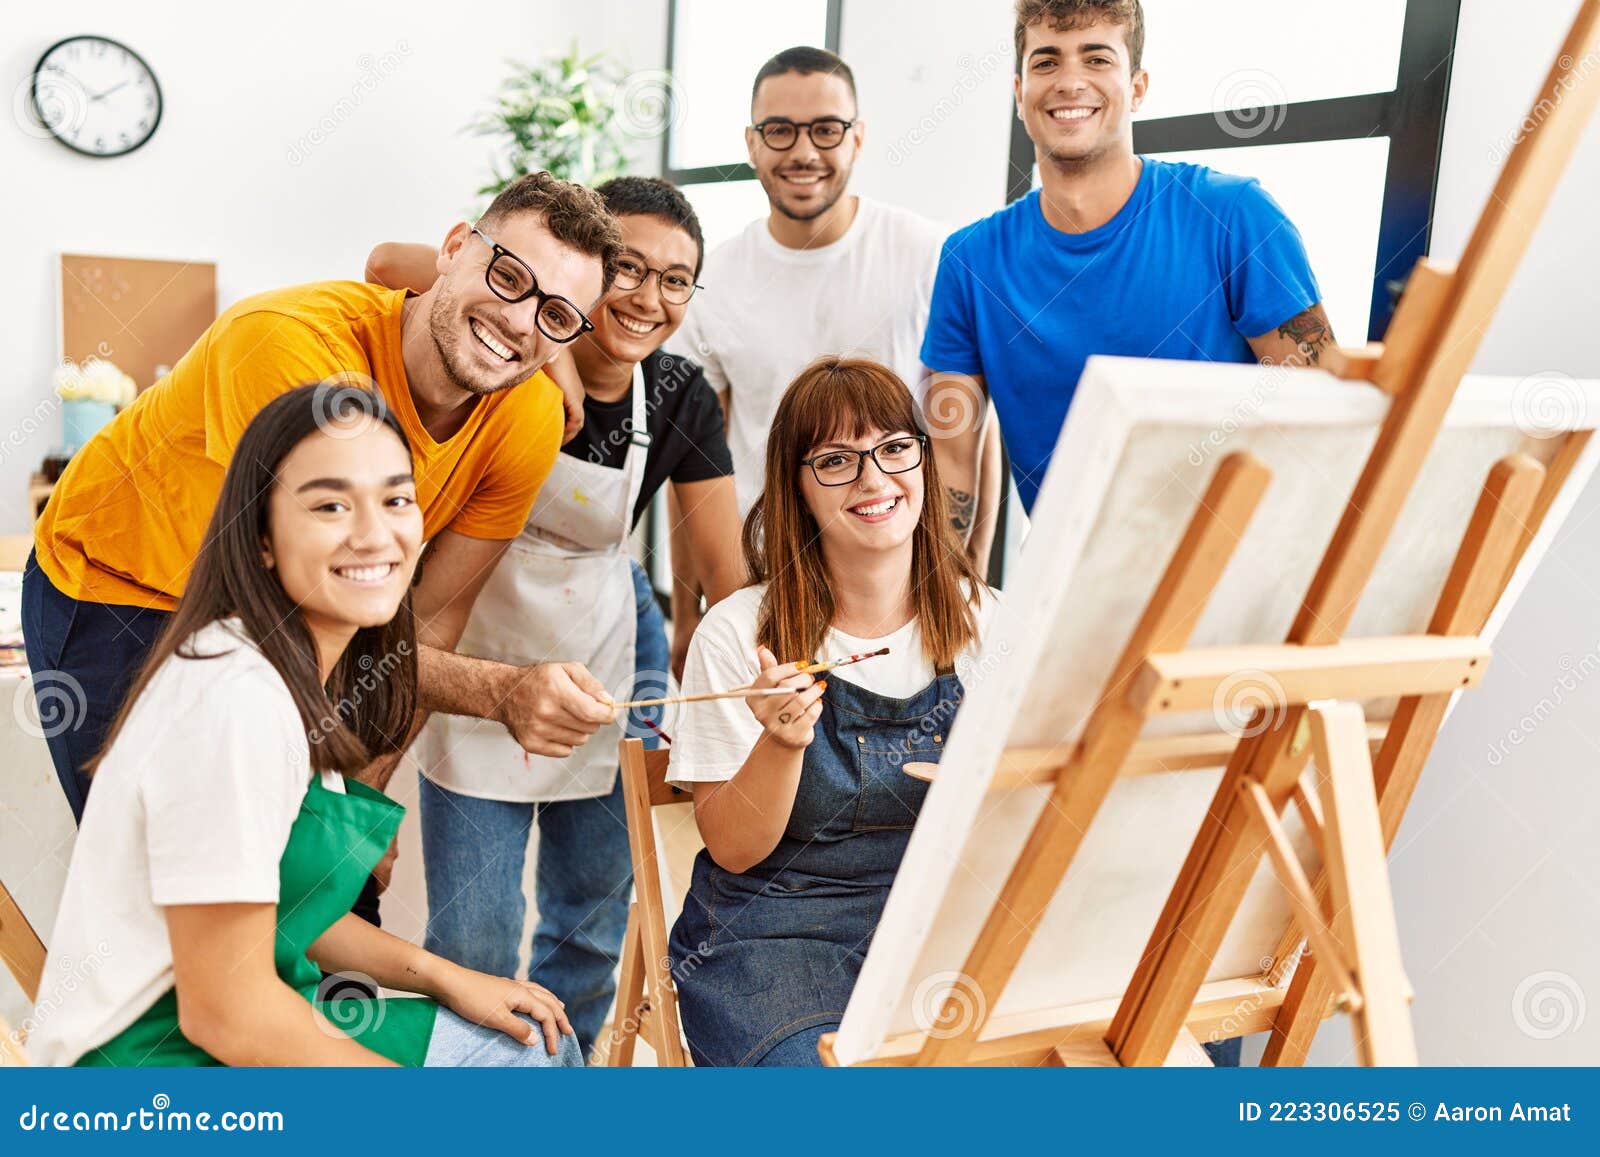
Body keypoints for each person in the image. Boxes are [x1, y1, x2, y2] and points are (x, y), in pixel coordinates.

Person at [24, 173, 623, 924]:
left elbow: (426, 620)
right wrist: (502, 693)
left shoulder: (526, 416)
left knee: (323, 898)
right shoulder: (286, 346)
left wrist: (363, 804)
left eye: (557, 314)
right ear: (455, 248)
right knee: (179, 904)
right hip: (122, 587)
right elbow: (305, 612)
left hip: (296, 621)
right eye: (508, 277)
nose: (519, 320)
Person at [29, 384, 581, 1068]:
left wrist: (447, 974)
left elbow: (288, 913)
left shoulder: (293, 673)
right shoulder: (233, 700)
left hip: (236, 1018)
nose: (375, 533)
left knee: (536, 1042)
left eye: (396, 498)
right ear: (261, 538)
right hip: (150, 1070)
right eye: (329, 505)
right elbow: (226, 1015)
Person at [365, 176, 744, 1057]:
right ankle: (476, 1099)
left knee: (589, 920)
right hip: (468, 648)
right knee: (476, 933)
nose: (649, 298)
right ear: (584, 273)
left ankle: (557, 1090)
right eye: (628, 269)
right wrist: (555, 341)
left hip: (603, 657)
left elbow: (727, 574)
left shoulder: (677, 393)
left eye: (677, 279)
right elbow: (390, 262)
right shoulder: (500, 348)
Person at [923, 0, 1333, 577]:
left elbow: (1320, 417)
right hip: (1073, 591)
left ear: (1137, 86)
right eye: (1046, 62)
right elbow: (952, 464)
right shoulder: (970, 262)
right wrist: (939, 614)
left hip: (1237, 578)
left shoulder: (1234, 215)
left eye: (1096, 58)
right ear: (1020, 93)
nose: (1069, 82)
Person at [665, 357, 996, 1067]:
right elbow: (733, 847)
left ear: (923, 459)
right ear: (798, 490)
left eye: (895, 447)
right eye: (838, 460)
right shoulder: (740, 632)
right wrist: (781, 743)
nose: (875, 479)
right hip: (769, 938)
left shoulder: (983, 621)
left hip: (930, 924)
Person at [663, 45, 1005, 605]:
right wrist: (688, 610)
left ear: (857, 138)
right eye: (779, 130)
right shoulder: (716, 277)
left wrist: (967, 584)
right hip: (767, 584)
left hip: (905, 587)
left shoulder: (930, 255)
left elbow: (973, 432)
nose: (803, 152)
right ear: (751, 142)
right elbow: (698, 465)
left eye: (825, 130)